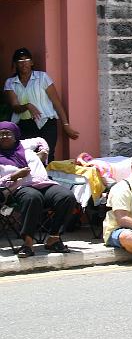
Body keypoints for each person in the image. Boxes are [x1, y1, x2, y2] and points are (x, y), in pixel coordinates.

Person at [0, 121, 76, 257]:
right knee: (32, 197)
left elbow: (41, 140)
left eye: (7, 133)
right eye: (0, 134)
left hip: (44, 184)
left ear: (15, 135)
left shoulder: (24, 145)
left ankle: (54, 237)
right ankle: (28, 243)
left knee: (66, 196)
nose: (4, 137)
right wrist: (13, 176)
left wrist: (43, 152)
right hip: (18, 189)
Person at [4, 48, 79, 162]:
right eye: (20, 61)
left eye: (27, 60)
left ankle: (48, 179)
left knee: (47, 155)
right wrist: (28, 106)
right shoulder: (10, 82)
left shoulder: (42, 77)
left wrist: (66, 125)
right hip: (25, 125)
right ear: (15, 64)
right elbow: (15, 106)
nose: (24, 63)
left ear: (32, 62)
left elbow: (56, 102)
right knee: (30, 156)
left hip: (46, 123)